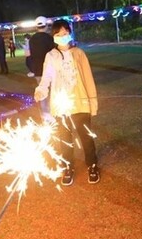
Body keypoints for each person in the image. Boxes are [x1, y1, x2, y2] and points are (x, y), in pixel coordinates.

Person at [35, 19, 100, 186]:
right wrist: (41, 90)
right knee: (64, 138)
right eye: (58, 34)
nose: (62, 36)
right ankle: (67, 167)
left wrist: (92, 101)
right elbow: (47, 77)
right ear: (54, 36)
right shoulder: (51, 56)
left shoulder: (79, 53)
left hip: (80, 103)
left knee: (85, 137)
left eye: (65, 33)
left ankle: (92, 165)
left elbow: (88, 78)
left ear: (69, 33)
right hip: (60, 105)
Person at [29, 16, 55, 119]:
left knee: (42, 92)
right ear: (46, 25)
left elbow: (29, 55)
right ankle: (53, 112)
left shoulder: (32, 39)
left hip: (38, 70)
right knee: (52, 92)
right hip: (50, 70)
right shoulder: (50, 38)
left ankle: (45, 114)